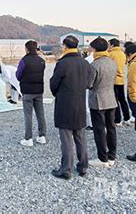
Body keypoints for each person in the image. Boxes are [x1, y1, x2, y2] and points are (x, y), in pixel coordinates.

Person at [50, 35, 92, 179]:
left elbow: (54, 84)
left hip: (65, 104)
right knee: (80, 137)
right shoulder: (85, 63)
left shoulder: (62, 63)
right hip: (80, 103)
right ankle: (83, 166)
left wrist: (59, 93)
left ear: (65, 46)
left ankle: (66, 169)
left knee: (66, 138)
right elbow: (89, 83)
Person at [88, 37, 118, 167]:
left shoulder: (94, 64)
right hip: (111, 98)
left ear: (94, 49)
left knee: (99, 130)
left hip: (98, 100)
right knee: (111, 128)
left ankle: (102, 158)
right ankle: (112, 156)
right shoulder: (112, 62)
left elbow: (89, 84)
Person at [16, 40, 47, 147]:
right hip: (39, 90)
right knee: (40, 114)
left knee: (28, 115)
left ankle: (28, 138)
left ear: (27, 49)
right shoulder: (41, 61)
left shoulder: (24, 61)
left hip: (27, 91)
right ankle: (42, 136)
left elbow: (18, 75)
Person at [108, 38, 131, 126]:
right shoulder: (122, 53)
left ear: (112, 45)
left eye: (109, 44)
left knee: (115, 101)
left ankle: (118, 120)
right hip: (121, 80)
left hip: (113, 80)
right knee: (122, 99)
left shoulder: (110, 54)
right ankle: (127, 118)